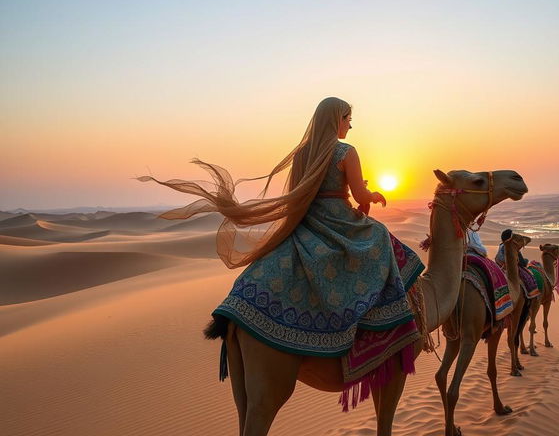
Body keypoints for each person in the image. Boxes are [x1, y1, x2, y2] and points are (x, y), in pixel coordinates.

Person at [138, 97, 425, 361]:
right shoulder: (347, 152)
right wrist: (373, 195)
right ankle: (381, 322)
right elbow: (361, 197)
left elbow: (299, 193)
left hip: (310, 221)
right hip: (339, 220)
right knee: (381, 240)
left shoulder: (302, 155)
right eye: (348, 118)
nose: (351, 124)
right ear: (336, 119)